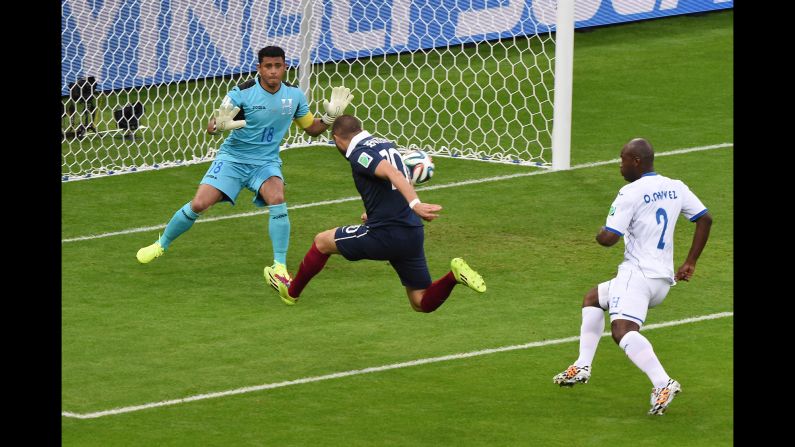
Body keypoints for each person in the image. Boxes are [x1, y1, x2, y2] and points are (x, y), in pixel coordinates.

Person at [136, 46, 354, 283]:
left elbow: (311, 129)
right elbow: (212, 126)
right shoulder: (241, 93)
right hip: (233, 160)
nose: (273, 71)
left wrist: (330, 118)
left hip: (266, 162)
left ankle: (279, 266)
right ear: (259, 68)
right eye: (268, 66)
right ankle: (161, 244)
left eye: (277, 66)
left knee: (277, 198)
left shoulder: (294, 96)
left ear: (285, 67)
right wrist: (218, 125)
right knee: (199, 203)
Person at [552, 138, 712, 416]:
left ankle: (663, 382)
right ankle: (582, 365)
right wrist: (690, 262)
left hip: (637, 275)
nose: (620, 165)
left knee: (622, 332)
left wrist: (600, 233)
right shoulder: (676, 186)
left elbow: (609, 239)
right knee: (593, 298)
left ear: (636, 161)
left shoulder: (630, 193)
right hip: (662, 280)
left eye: (622, 159)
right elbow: (705, 218)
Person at [263, 115, 486, 311]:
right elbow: (392, 183)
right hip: (411, 232)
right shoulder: (385, 143)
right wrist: (376, 211)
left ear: (336, 140)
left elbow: (394, 175)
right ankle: (454, 276)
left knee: (322, 242)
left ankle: (291, 293)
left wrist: (416, 204)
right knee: (421, 301)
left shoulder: (360, 154)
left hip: (386, 233)